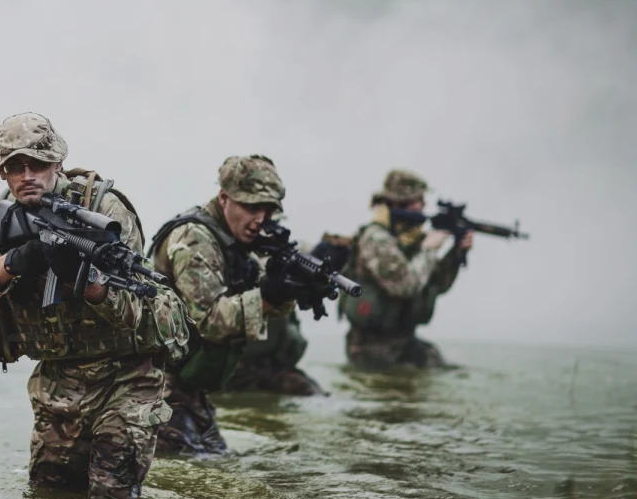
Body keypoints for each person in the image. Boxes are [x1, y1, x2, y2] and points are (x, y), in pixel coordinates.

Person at [0, 112, 189, 499]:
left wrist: (87, 282)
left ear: (57, 163)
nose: (27, 175)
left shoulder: (106, 211)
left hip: (126, 375)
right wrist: (12, 263)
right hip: (58, 381)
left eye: (37, 164)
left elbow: (133, 312)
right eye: (14, 166)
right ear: (2, 174)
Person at [148, 155, 321, 456]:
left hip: (190, 390)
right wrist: (267, 296)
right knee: (192, 478)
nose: (260, 219)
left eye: (268, 210)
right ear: (224, 198)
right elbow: (211, 319)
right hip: (157, 389)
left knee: (218, 465)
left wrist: (288, 288)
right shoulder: (195, 239)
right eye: (252, 207)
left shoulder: (236, 240)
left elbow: (262, 303)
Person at [338, 168, 473, 369]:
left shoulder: (413, 240)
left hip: (404, 341)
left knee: (450, 372)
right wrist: (428, 249)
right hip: (369, 346)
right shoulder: (376, 238)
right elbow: (404, 286)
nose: (423, 205)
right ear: (400, 201)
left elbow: (436, 284)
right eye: (419, 200)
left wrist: (456, 254)